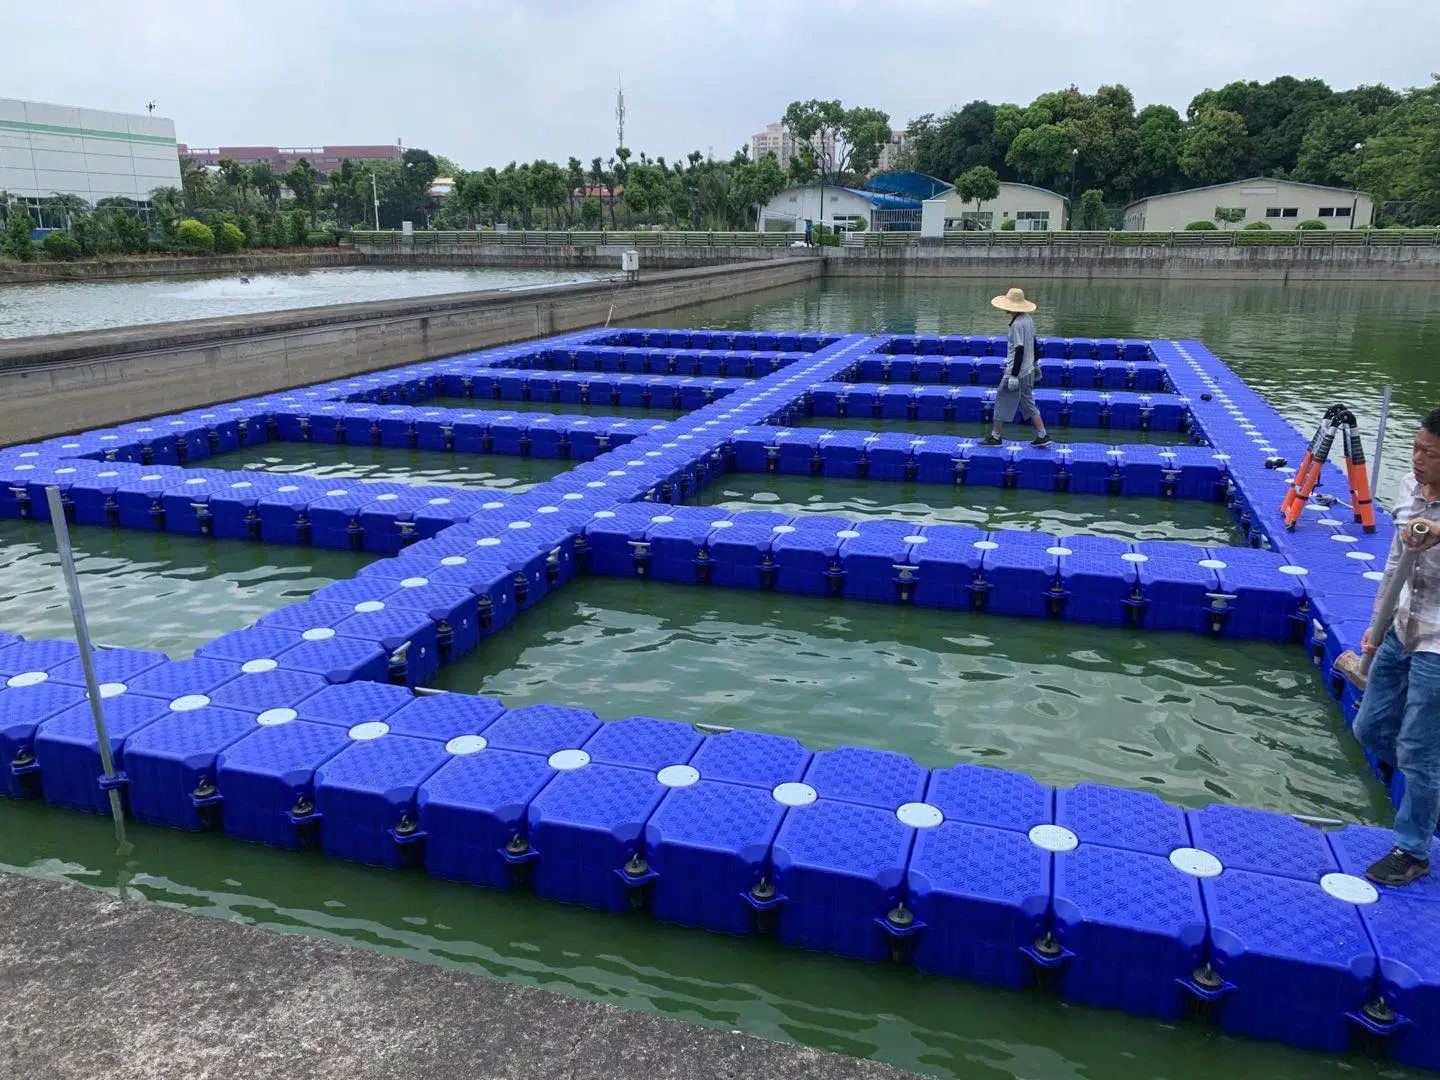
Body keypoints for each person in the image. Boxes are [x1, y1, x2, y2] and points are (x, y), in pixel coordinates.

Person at [1354, 408, 1440, 886]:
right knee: (1369, 725)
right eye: (1416, 448)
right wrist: (1377, 623)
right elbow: (1394, 562)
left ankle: (1412, 849)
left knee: (1417, 747)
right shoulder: (1410, 487)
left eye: (1430, 453)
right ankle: (1430, 794)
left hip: (1439, 643)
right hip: (1402, 625)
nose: (1419, 459)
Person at [982, 287, 1050, 447]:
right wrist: (1034, 364)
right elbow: (1034, 344)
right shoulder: (1028, 320)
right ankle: (1043, 435)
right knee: (1027, 401)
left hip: (1017, 371)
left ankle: (996, 436)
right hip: (1028, 370)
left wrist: (1013, 375)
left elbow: (1019, 350)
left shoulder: (1016, 325)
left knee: (1001, 398)